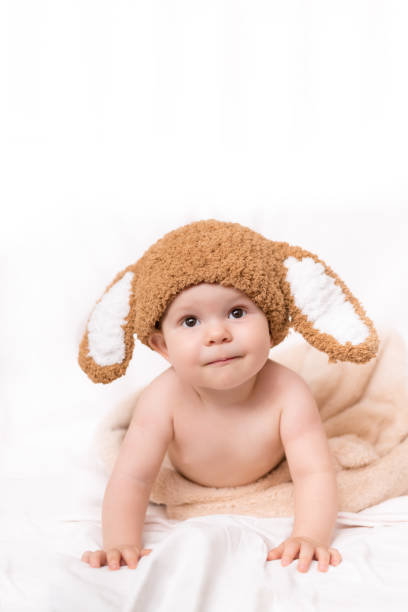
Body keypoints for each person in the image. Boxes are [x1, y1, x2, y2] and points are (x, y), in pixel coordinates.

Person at [79, 219, 378, 574]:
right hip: (190, 478)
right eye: (190, 321)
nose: (217, 333)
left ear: (270, 321)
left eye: (237, 313)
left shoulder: (289, 393)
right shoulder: (162, 400)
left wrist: (311, 535)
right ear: (161, 345)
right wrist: (120, 542)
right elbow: (133, 477)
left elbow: (313, 472)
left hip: (269, 470)